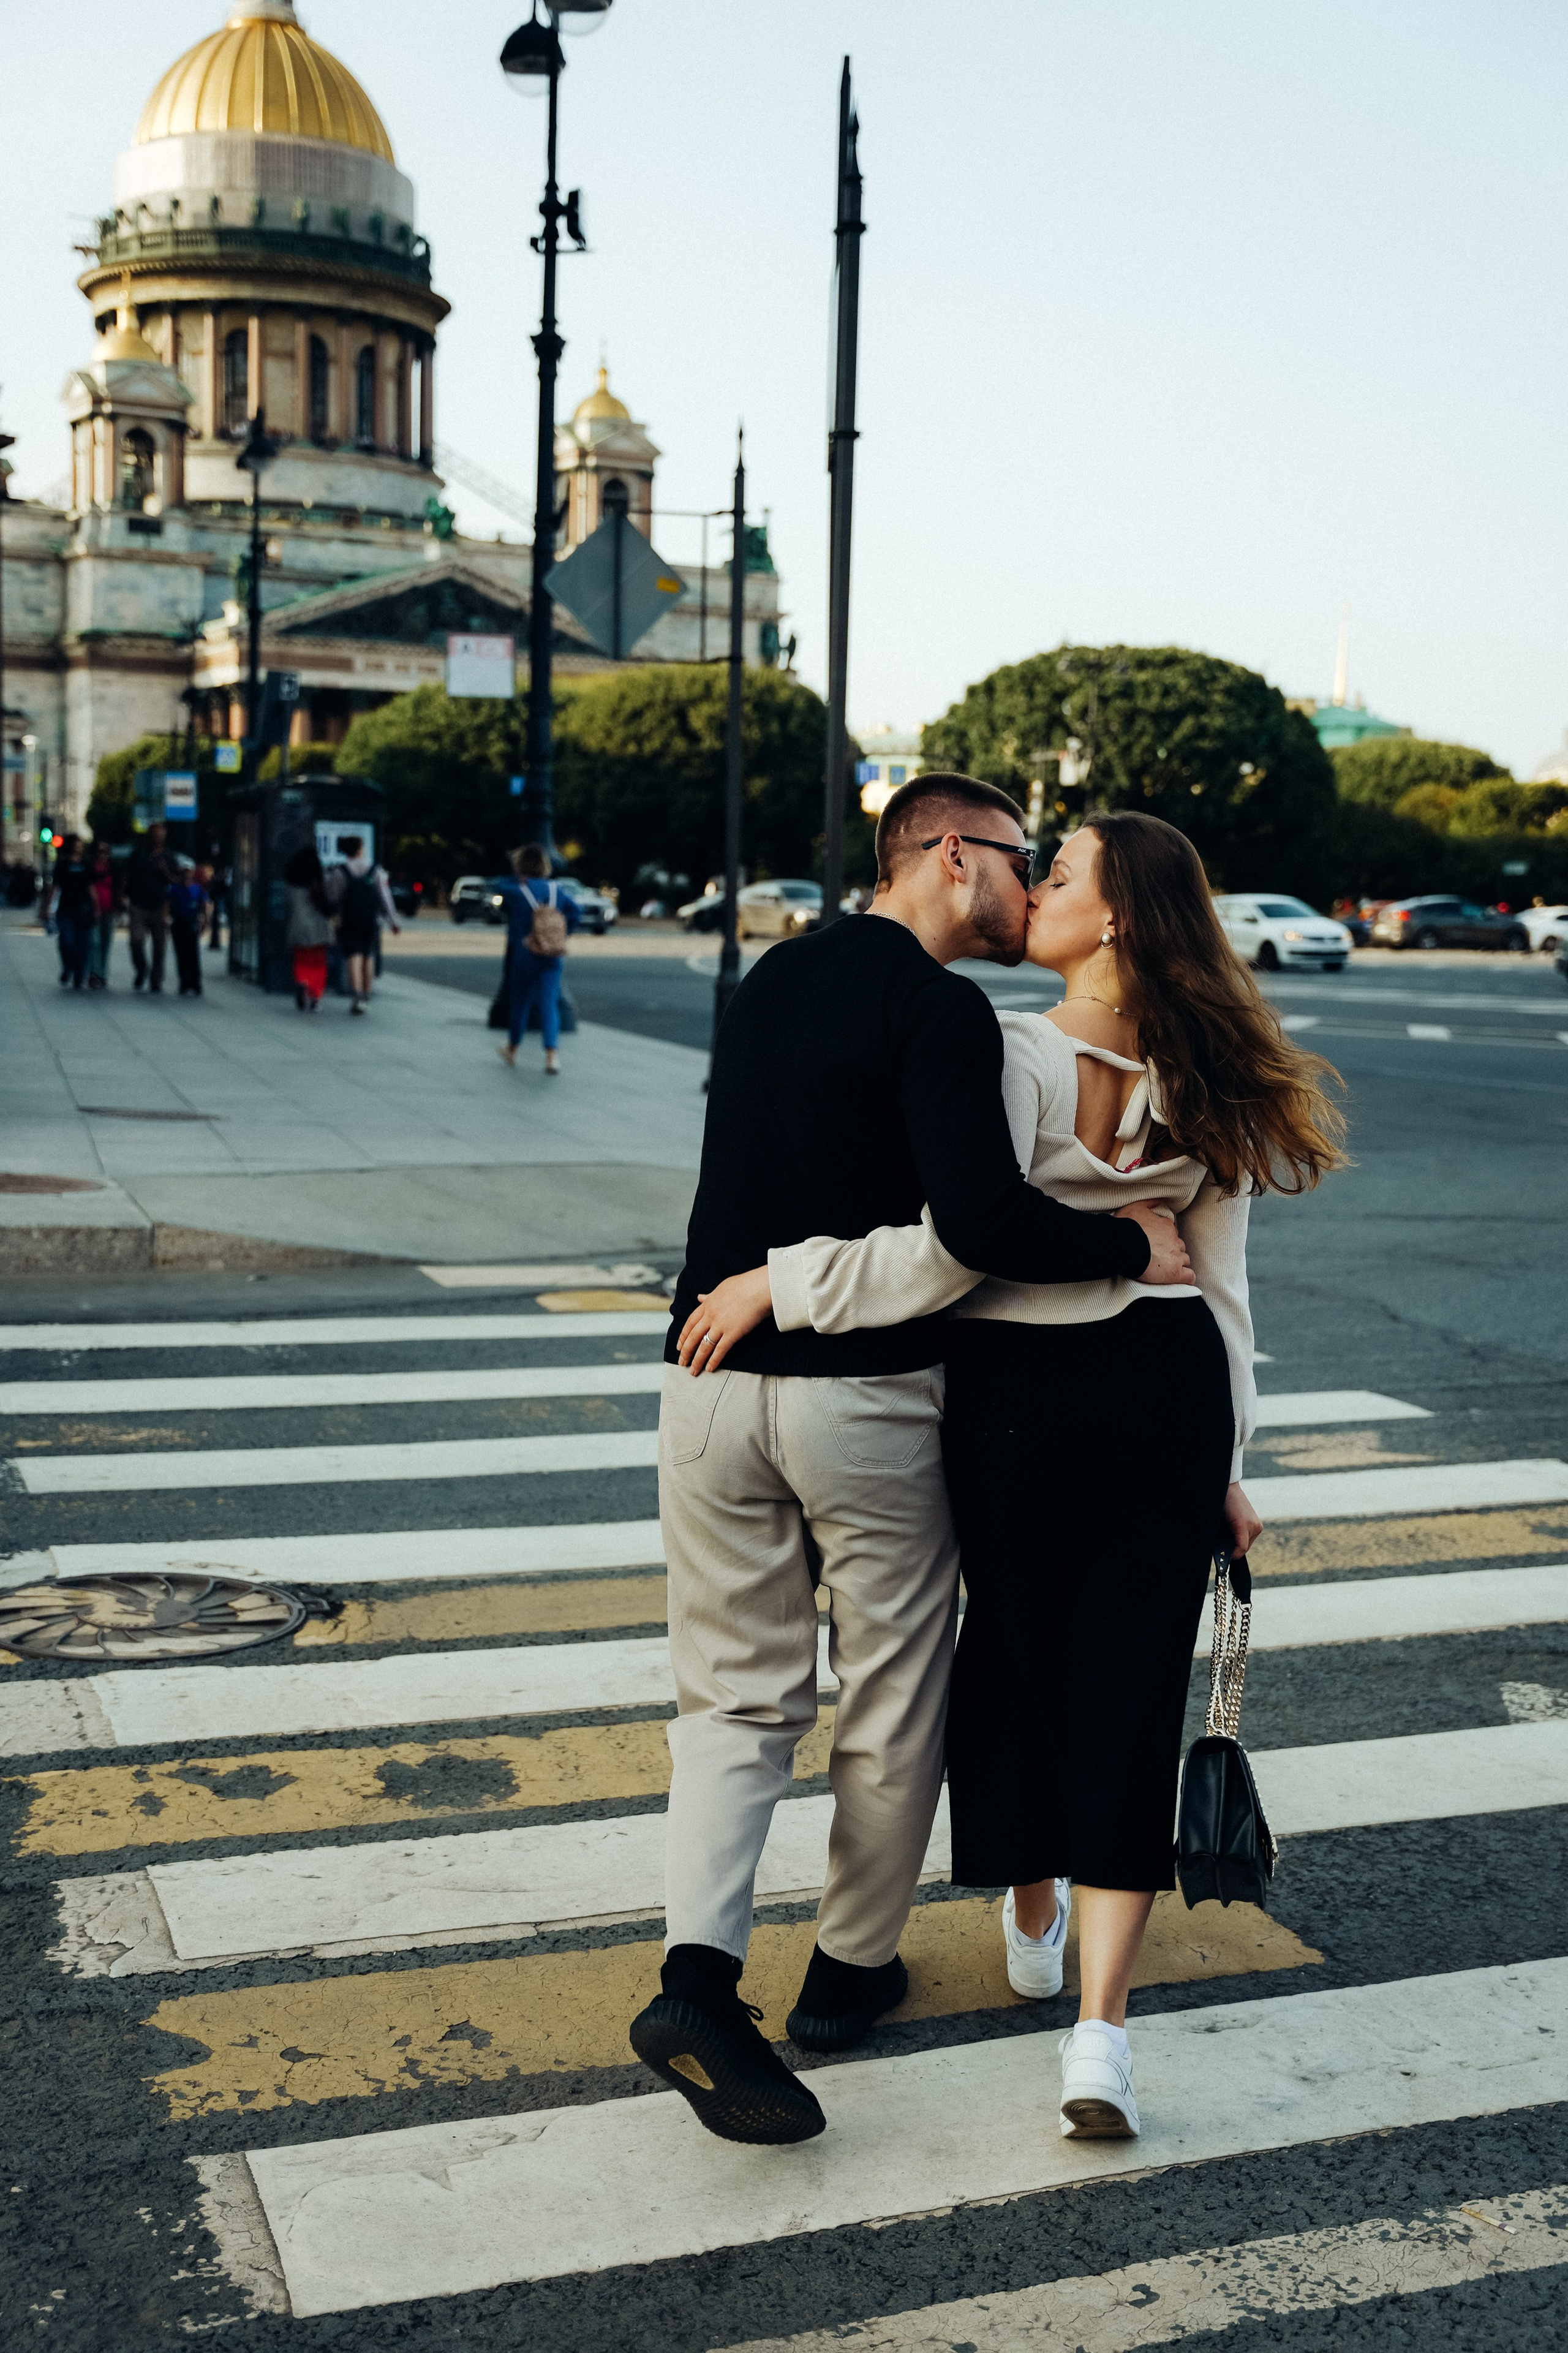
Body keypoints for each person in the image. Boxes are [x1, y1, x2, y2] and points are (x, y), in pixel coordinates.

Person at [682, 807, 1346, 2145]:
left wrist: (777, 1281)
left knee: (1000, 1665)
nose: (1033, 884)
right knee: (1127, 1690)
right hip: (1160, 1405)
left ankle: (1025, 1905)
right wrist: (1223, 1461)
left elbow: (957, 1245)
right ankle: (1096, 2035)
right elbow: (1221, 1297)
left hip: (1015, 1405)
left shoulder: (1009, 1048)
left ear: (1107, 919)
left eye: (1060, 874)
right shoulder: (1209, 1070)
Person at [627, 774, 1191, 2148]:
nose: (1027, 891)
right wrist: (1127, 1242)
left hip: (704, 1386)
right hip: (861, 1400)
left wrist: (759, 1281)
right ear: (952, 854)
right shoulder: (942, 1011)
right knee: (890, 1689)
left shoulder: (771, 976)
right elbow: (976, 1227)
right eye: (1019, 863)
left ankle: (696, 1977)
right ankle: (844, 1969)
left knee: (730, 1704)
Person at [497, 844, 579, 1073]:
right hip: (552, 954)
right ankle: (551, 1055)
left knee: (520, 1002)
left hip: (526, 952)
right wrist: (563, 933)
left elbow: (497, 886)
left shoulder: (516, 890)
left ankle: (512, 1048)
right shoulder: (556, 890)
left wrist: (515, 878)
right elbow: (575, 911)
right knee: (549, 1002)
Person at [331, 834, 400, 1013]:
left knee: (354, 955)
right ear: (360, 849)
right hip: (371, 920)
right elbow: (385, 897)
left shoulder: (341, 871)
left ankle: (357, 995)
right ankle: (367, 995)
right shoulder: (375, 870)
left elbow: (334, 898)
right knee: (368, 955)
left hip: (350, 919)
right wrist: (394, 921)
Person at [283, 842, 335, 1011]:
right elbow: (329, 904)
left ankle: (302, 982)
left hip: (297, 927)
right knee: (319, 963)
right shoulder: (320, 882)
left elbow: (287, 906)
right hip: (319, 928)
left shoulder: (290, 885)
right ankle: (315, 997)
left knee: (300, 959)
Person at [126, 823, 176, 992]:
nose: (157, 837)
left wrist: (165, 871)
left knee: (159, 945)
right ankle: (142, 969)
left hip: (160, 906)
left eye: (160, 833)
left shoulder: (169, 857)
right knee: (136, 941)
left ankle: (156, 979)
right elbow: (127, 876)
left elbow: (175, 882)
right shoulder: (139, 855)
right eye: (154, 833)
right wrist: (123, 897)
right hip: (138, 904)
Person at [45, 837, 95, 991]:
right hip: (66, 908)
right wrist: (49, 907)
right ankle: (68, 967)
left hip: (84, 908)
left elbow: (91, 886)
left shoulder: (86, 864)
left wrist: (96, 907)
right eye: (77, 845)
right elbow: (56, 886)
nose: (79, 848)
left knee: (83, 943)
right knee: (67, 941)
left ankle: (79, 974)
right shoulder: (63, 864)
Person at [168, 858, 211, 997]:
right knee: (181, 954)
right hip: (179, 923)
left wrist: (204, 921)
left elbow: (204, 904)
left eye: (189, 872)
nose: (186, 875)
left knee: (193, 954)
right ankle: (184, 982)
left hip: (191, 923)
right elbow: (168, 904)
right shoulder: (175, 888)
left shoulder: (196, 888)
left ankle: (195, 982)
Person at [85, 843, 118, 990]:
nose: (102, 854)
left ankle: (103, 973)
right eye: (100, 851)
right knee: (94, 942)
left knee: (106, 942)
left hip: (109, 909)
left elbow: (119, 887)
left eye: (105, 851)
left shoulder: (113, 868)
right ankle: (94, 972)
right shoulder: (90, 867)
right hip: (93, 910)